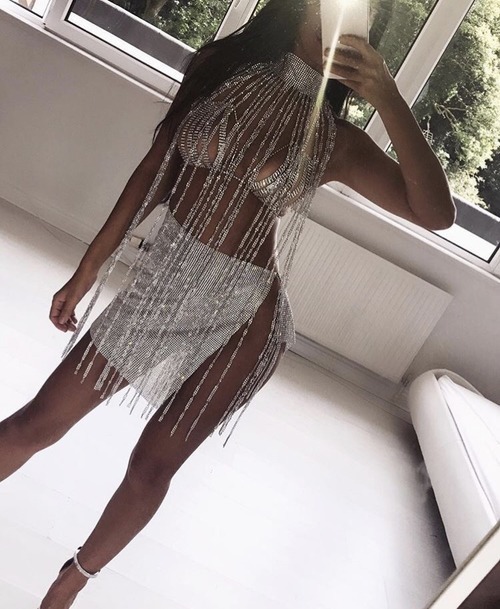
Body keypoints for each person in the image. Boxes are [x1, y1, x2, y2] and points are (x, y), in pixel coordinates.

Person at [0, 0, 456, 607]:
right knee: (36, 422)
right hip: (163, 284)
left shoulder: (337, 140)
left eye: (361, 16)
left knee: (151, 467)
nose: (341, 21)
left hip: (245, 315)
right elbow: (155, 170)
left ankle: (71, 581)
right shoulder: (218, 67)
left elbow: (436, 213)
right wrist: (89, 268)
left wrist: (389, 99)